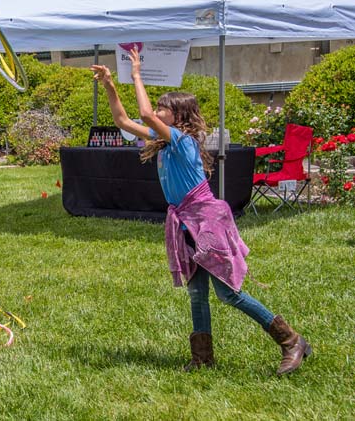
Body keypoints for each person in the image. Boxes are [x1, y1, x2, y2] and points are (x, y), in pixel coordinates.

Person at [90, 48, 311, 375]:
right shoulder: (165, 142)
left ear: (178, 116)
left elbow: (146, 115)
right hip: (186, 223)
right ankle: (203, 358)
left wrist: (136, 73)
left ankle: (291, 340)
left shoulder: (183, 141)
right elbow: (123, 120)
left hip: (206, 222)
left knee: (228, 293)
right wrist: (109, 84)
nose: (157, 111)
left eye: (165, 107)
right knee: (197, 293)